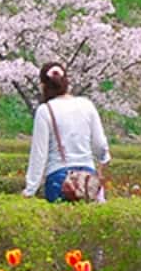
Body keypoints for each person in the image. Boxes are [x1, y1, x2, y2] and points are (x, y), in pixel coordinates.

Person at [23, 63, 109, 203]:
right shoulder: (86, 105)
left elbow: (39, 154)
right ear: (66, 82)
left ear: (43, 85)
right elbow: (100, 145)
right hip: (87, 178)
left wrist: (30, 189)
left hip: (58, 177)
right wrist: (103, 158)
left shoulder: (45, 110)